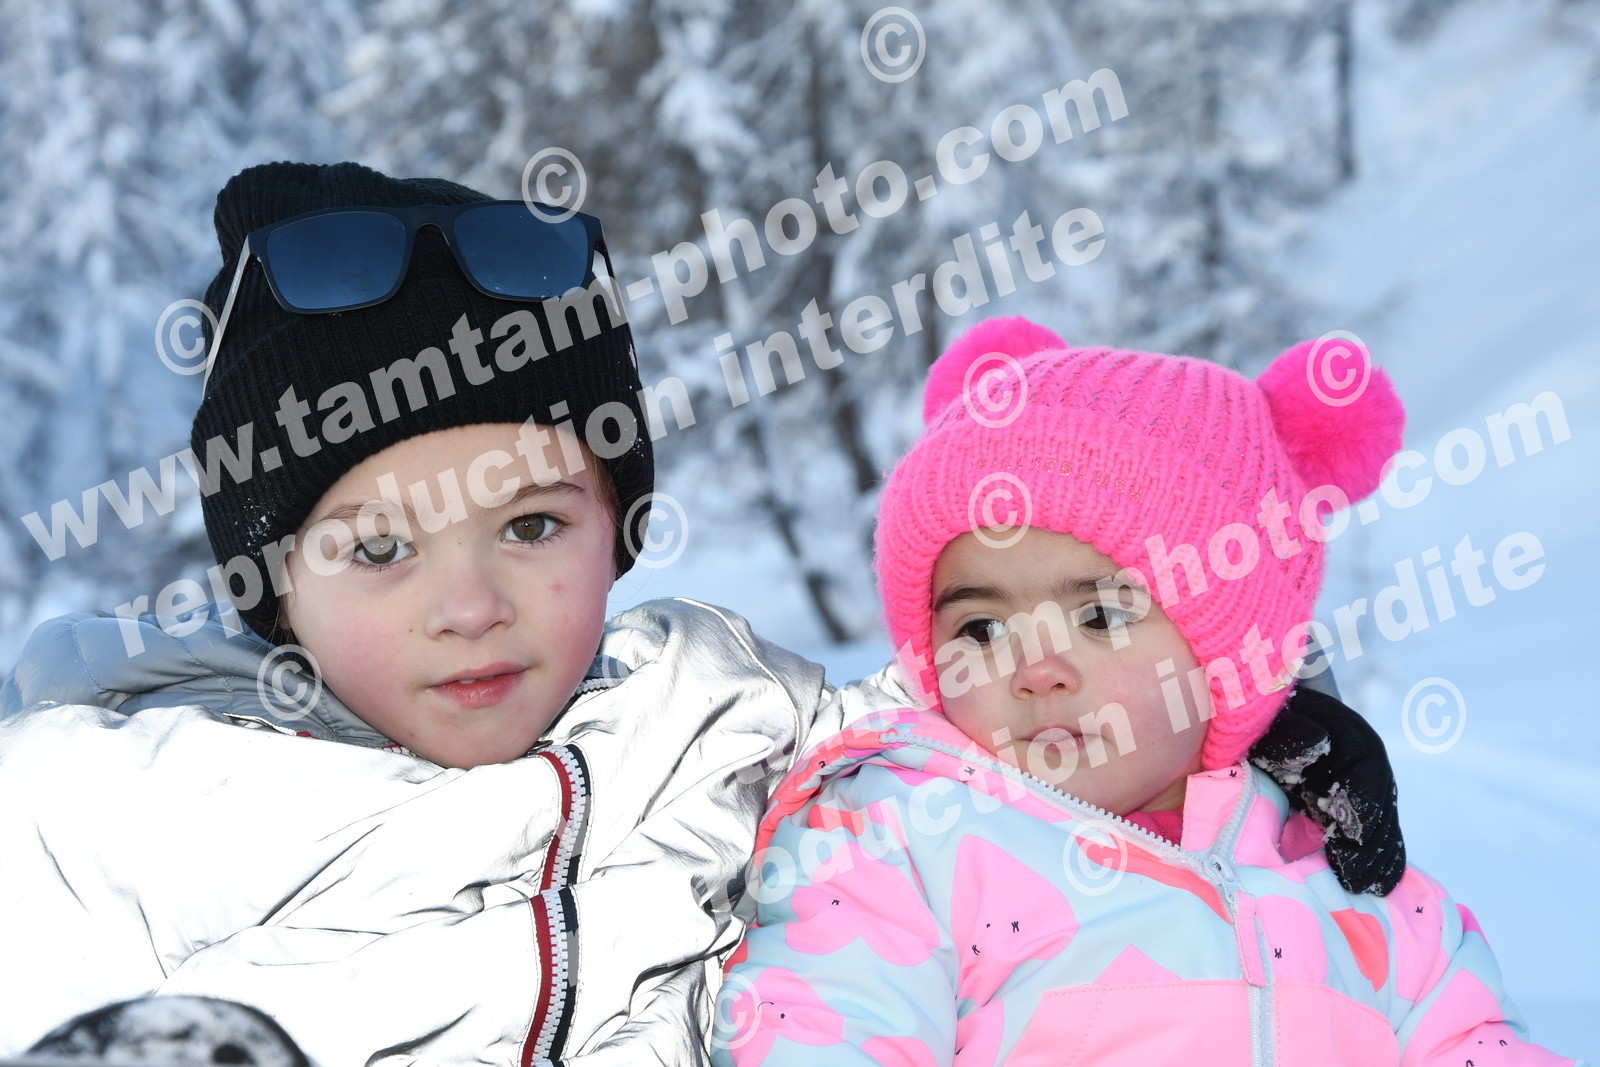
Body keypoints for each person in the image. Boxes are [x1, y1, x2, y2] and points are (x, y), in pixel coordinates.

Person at [0, 163, 1406, 1066]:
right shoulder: (104, 804)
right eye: (378, 548)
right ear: (272, 577)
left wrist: (1242, 712)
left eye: (533, 525)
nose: (470, 604)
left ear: (620, 530)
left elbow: (971, 716)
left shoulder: (722, 715)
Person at [712, 317, 1580, 1065]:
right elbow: (823, 1025)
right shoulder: (899, 842)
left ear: (1231, 651)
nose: (1036, 666)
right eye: (980, 628)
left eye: (1100, 615)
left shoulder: (1350, 876)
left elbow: (1469, 1040)